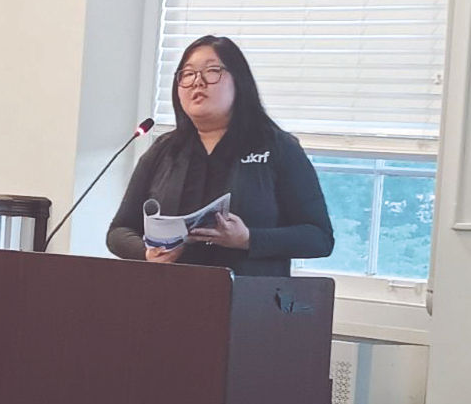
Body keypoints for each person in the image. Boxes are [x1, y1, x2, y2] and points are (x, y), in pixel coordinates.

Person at [106, 35, 334, 276]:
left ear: (240, 82)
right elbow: (119, 231)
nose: (197, 82)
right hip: (169, 298)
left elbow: (319, 237)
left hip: (249, 302)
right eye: (188, 74)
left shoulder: (278, 148)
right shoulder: (164, 150)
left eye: (212, 71)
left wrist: (248, 238)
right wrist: (147, 253)